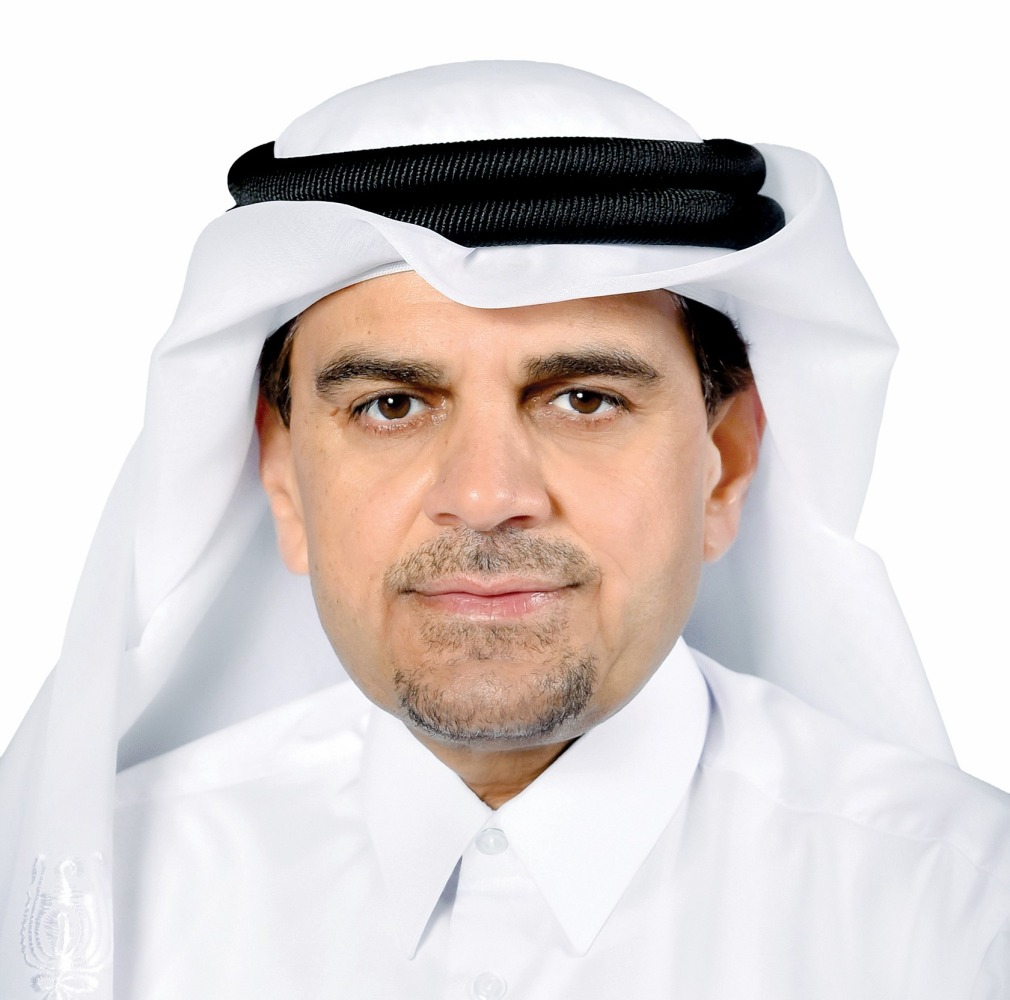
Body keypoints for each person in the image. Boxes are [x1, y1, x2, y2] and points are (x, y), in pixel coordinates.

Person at [2, 61, 1007, 998]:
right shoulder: (92, 910)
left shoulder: (962, 913)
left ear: (726, 463)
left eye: (583, 399)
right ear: (283, 479)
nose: (485, 496)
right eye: (391, 405)